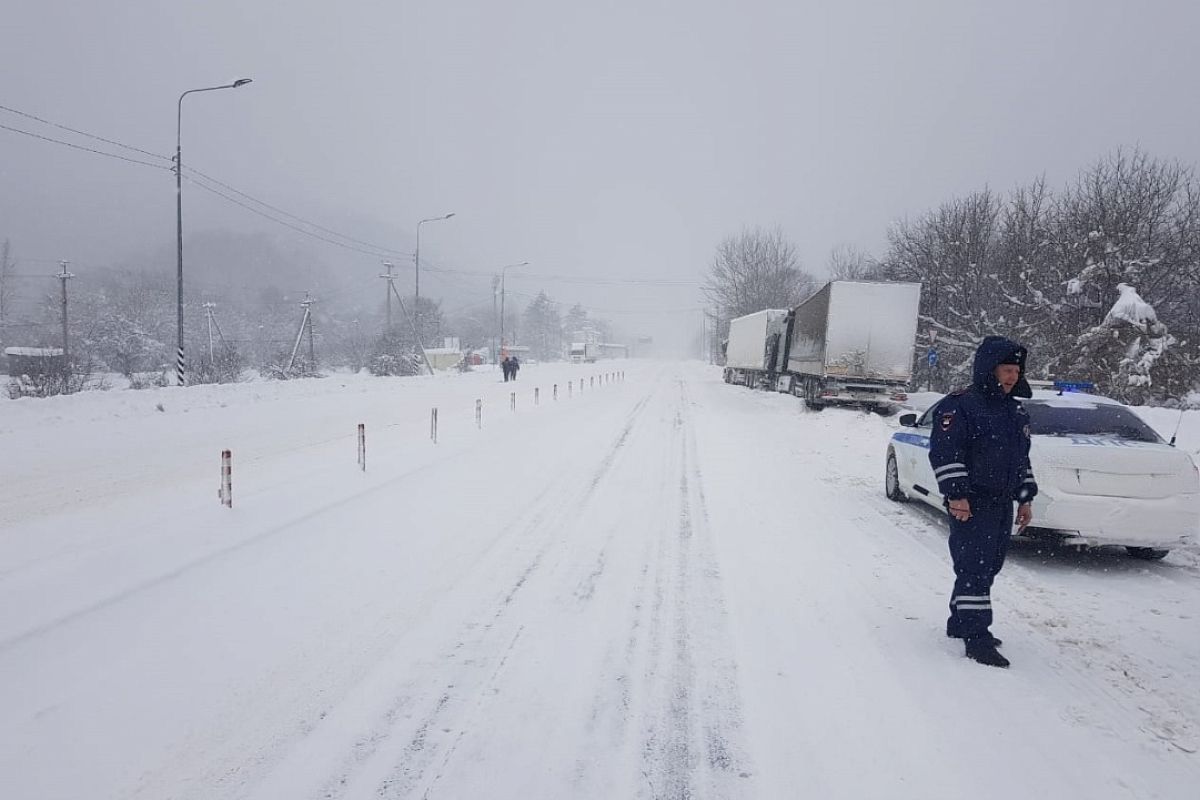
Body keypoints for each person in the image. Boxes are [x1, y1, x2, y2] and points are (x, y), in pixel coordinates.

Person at [929, 335, 1038, 668]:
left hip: (1001, 502)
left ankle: (959, 621)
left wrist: (1025, 497)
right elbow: (946, 452)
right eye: (1006, 370)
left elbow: (1022, 458)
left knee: (989, 566)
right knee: (973, 568)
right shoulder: (960, 404)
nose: (1012, 377)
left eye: (1016, 371)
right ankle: (977, 638)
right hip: (972, 501)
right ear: (989, 370)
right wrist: (957, 494)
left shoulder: (1014, 410)